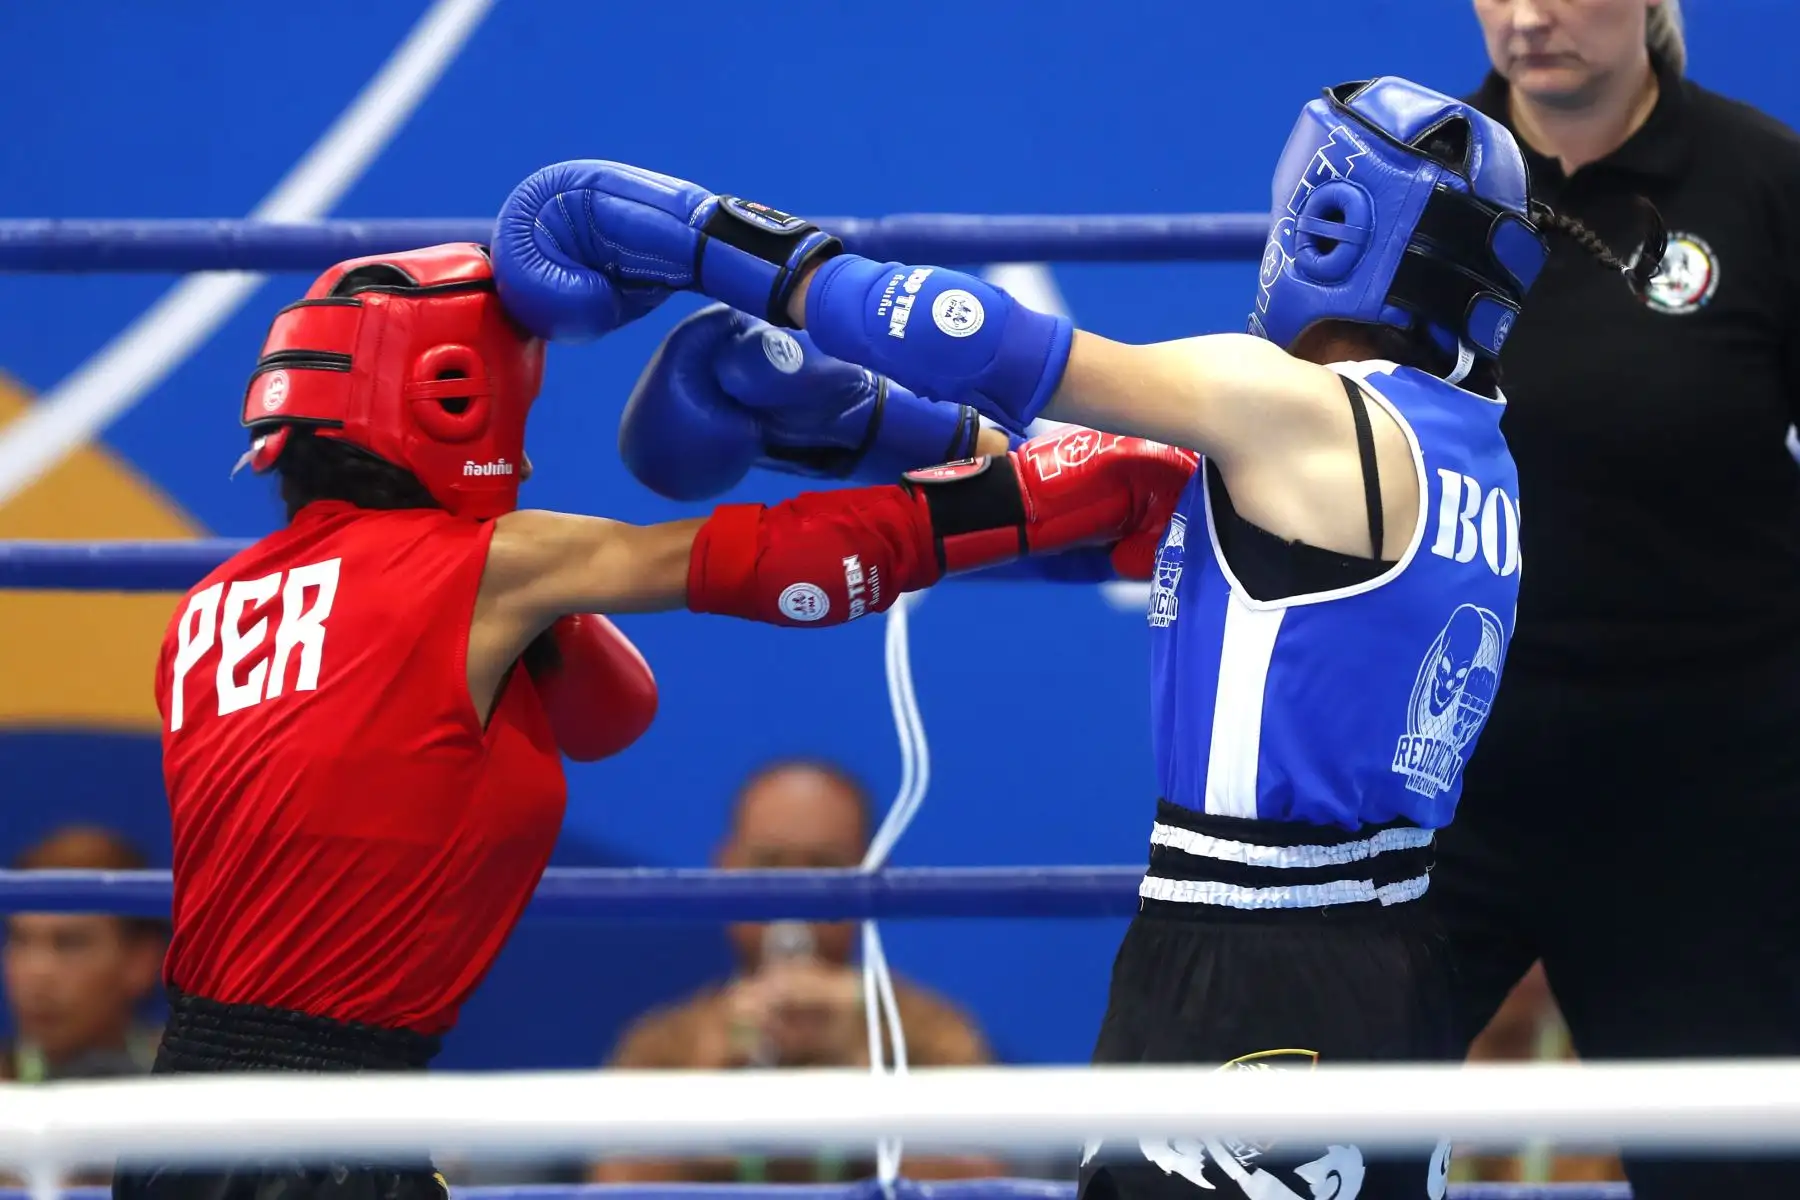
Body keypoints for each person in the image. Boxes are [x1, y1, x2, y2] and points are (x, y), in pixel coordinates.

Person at [492, 76, 1659, 1198]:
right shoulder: (1466, 452)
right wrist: (851, 428)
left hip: (1247, 962)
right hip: (1390, 950)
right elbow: (1115, 489)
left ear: (1334, 222)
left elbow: (1001, 347)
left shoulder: (1293, 407)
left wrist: (713, 244)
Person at [133, 242, 1191, 1200]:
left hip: (186, 1110)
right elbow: (761, 558)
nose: (528, 457)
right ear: (450, 396)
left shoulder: (209, 612)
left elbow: (569, 724)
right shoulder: (481, 571)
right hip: (316, 1132)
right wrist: (1049, 492)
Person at [1429, 3, 1800, 1197]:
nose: (1530, 17)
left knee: (1730, 1172)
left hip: (1702, 786)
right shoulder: (1403, 175)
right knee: (1302, 1143)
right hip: (1437, 768)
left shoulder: (1766, 183)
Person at [593, 760, 1000, 1184]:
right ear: (725, 869)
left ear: (875, 875)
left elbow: (981, 1184)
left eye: (825, 867)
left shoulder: (929, 1031)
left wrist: (863, 1062)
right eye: (768, 865)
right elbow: (613, 1187)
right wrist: (708, 1083)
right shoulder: (667, 1041)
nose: (796, 894)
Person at [3, 827, 166, 1084]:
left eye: (70, 943)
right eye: (21, 940)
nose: (36, 972)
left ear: (142, 960)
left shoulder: (199, 1084)